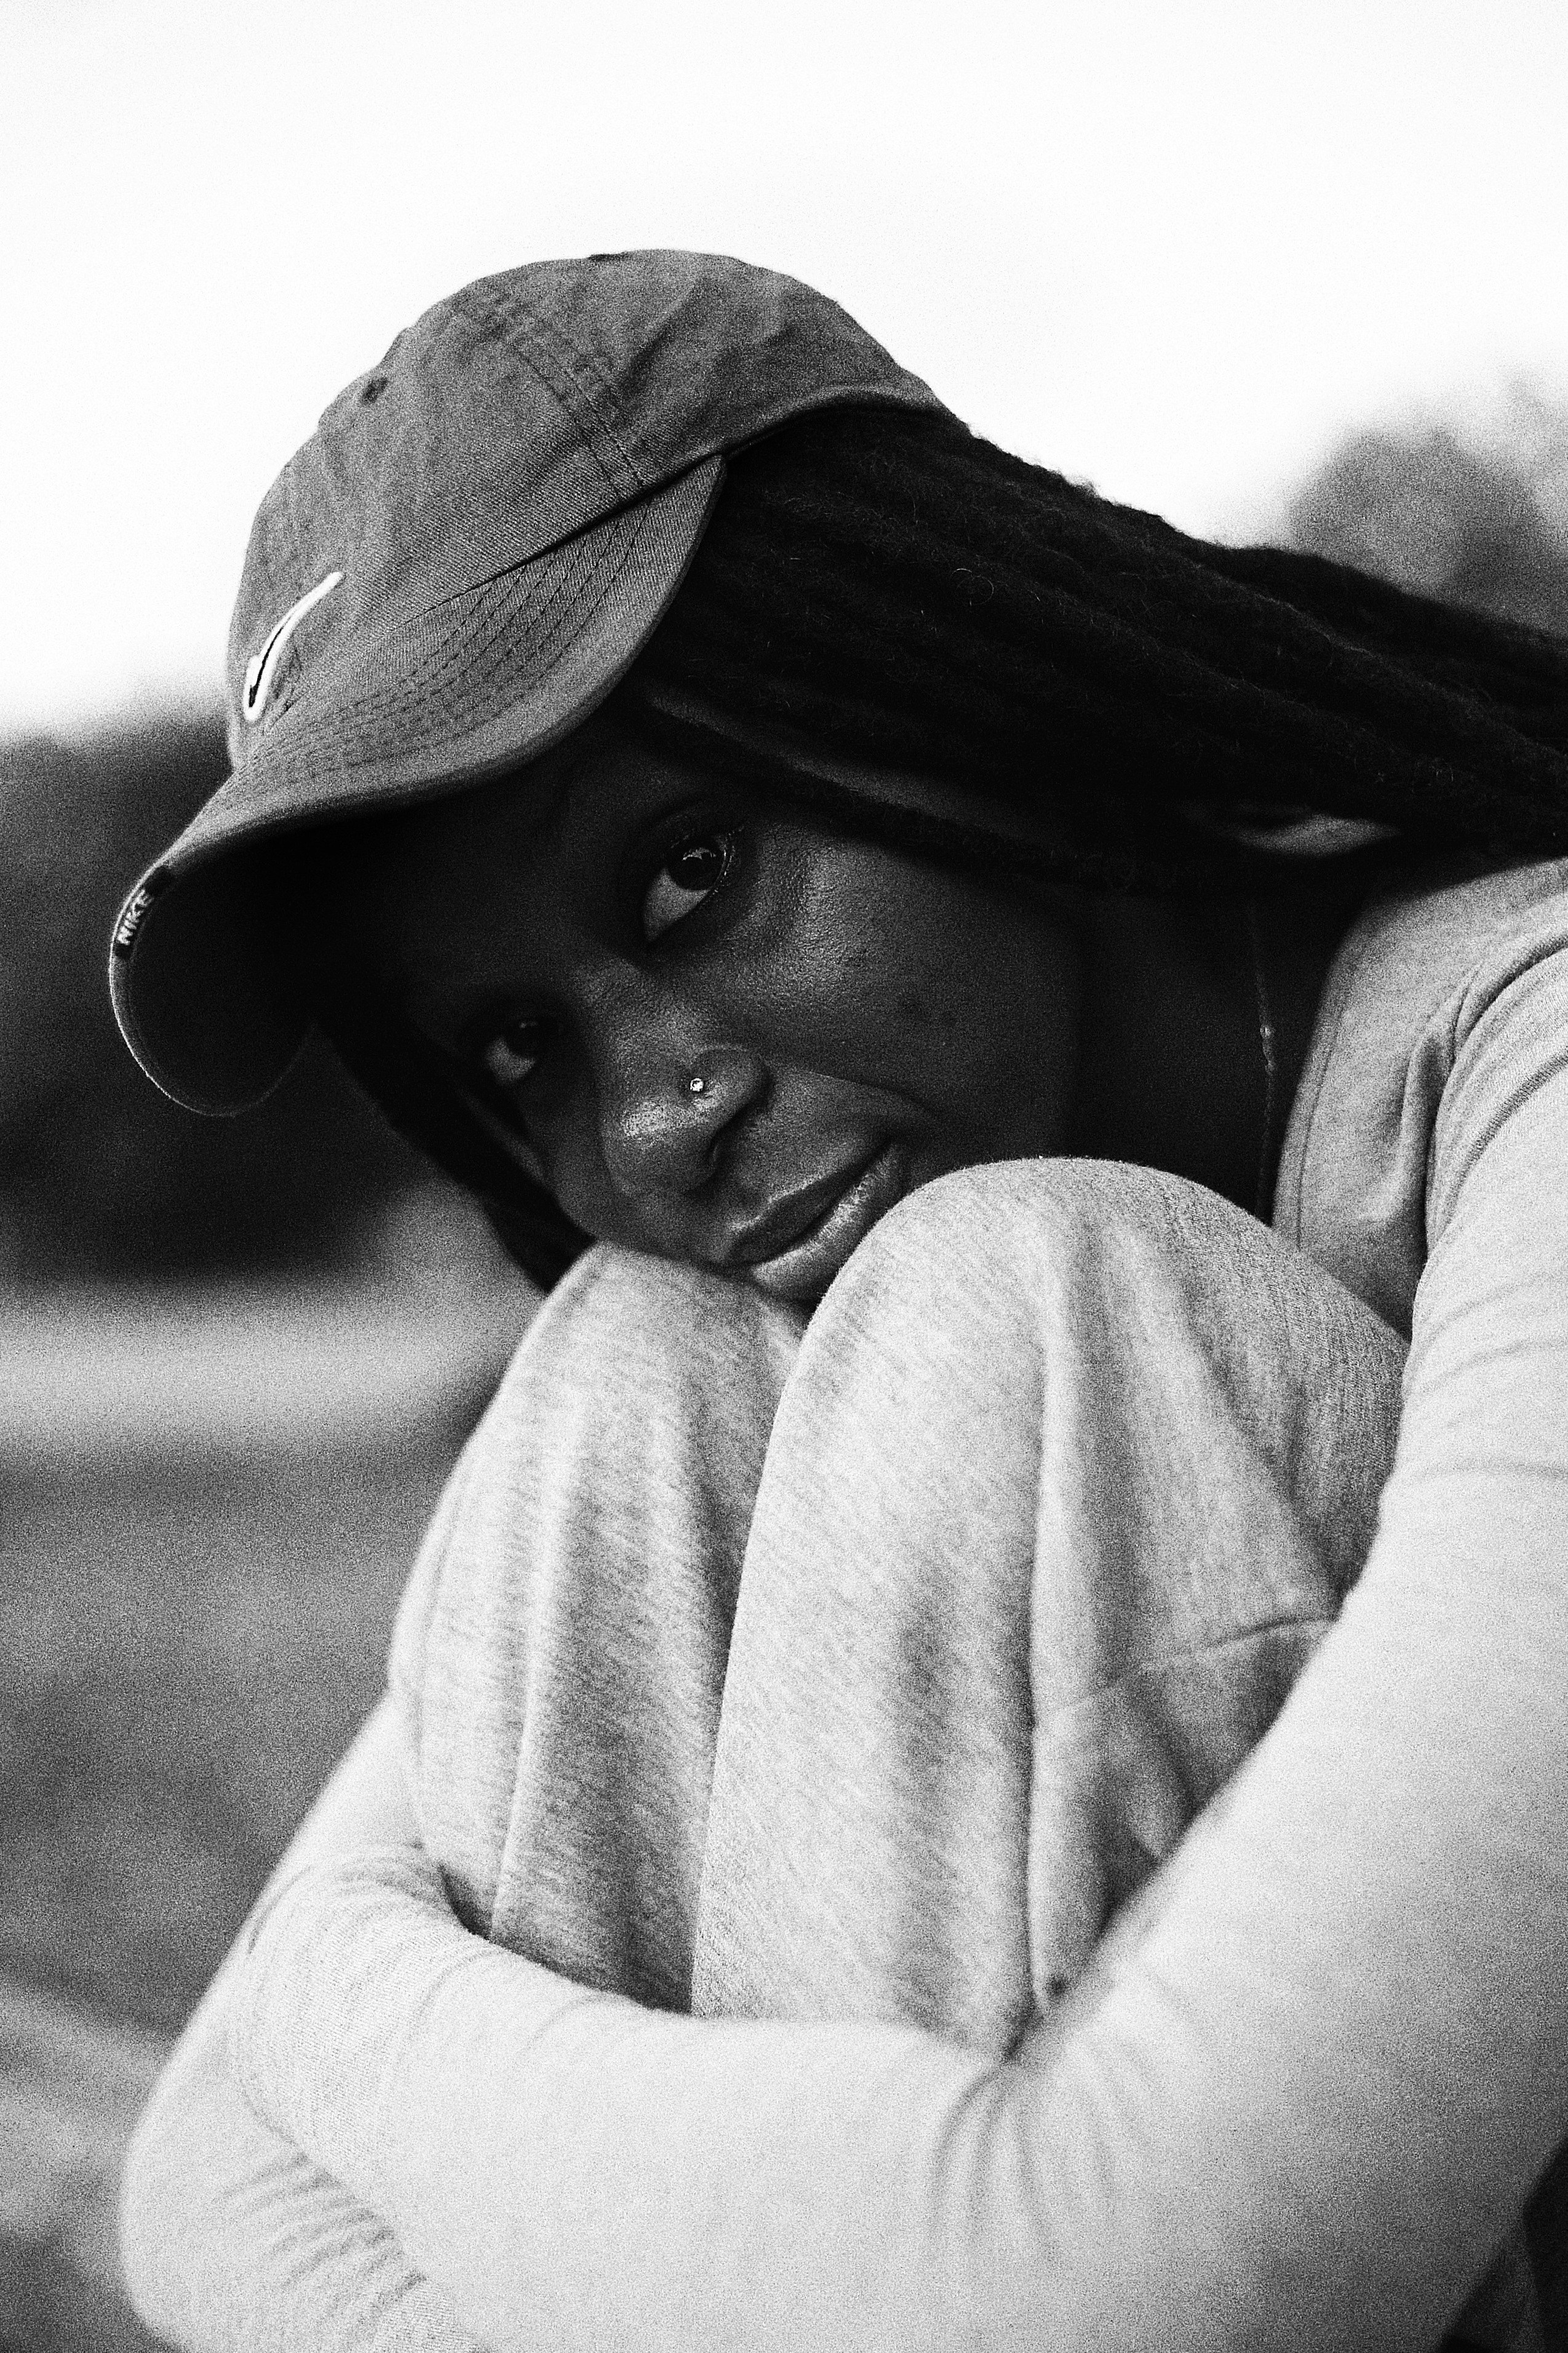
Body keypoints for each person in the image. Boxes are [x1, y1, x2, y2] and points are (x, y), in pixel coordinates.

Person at [111, 252, 1568, 2352]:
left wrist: (327, 1992)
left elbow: (1118, 2288)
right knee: (633, 1349)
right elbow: (199, 2199)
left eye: (692, 868)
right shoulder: (774, 1269)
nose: (658, 1111)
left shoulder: (1523, 1055)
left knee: (1029, 1294)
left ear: (941, 677)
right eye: (521, 1047)